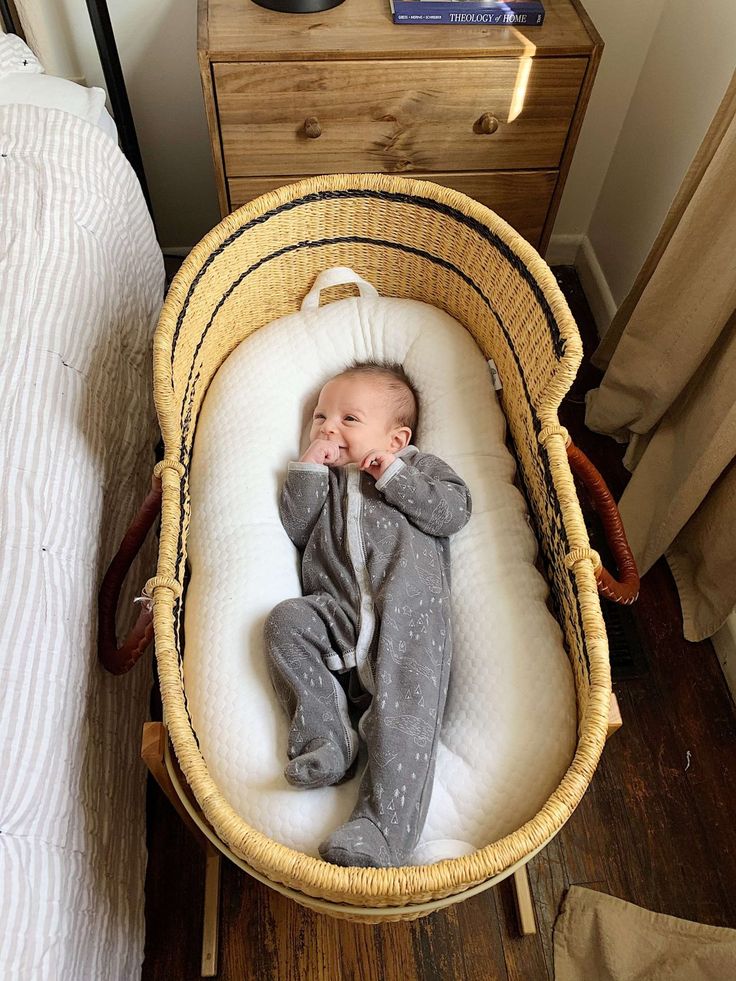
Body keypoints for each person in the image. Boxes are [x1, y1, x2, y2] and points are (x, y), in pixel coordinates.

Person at [264, 360, 471, 867]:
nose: (328, 427)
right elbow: (296, 527)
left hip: (409, 626)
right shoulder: (328, 483)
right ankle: (326, 737)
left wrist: (396, 477)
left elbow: (453, 511)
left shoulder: (418, 469)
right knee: (285, 623)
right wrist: (311, 465)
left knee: (404, 718)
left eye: (348, 420)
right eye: (320, 417)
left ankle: (379, 830)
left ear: (396, 439)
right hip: (338, 617)